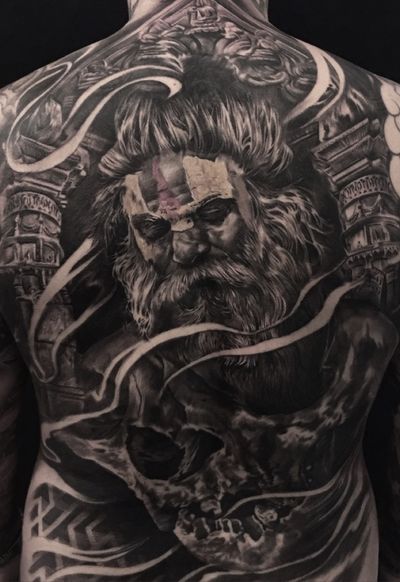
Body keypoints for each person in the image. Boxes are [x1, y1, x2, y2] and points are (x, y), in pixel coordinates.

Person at [0, 0, 399, 580]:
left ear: (275, 210)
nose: (186, 250)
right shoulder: (389, 110)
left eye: (213, 214)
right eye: (154, 230)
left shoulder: (10, 121)